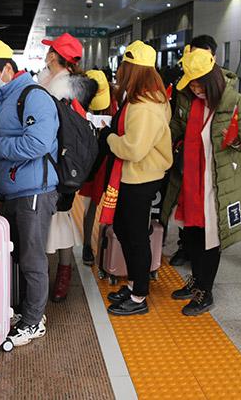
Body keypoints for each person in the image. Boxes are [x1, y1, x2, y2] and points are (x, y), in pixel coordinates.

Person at [0, 39, 59, 346]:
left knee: (32, 258)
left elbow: (37, 144)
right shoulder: (9, 97)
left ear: (8, 69)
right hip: (15, 191)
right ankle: (28, 312)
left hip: (34, 190)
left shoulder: (33, 97)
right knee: (22, 257)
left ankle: (34, 322)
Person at [162, 46, 241, 316]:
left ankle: (205, 291)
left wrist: (236, 139)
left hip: (215, 182)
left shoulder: (235, 101)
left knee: (208, 237)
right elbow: (174, 130)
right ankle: (196, 282)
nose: (195, 89)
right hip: (189, 178)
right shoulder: (187, 99)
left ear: (211, 79)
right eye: (191, 84)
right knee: (190, 233)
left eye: (199, 84)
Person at [103, 41, 173, 316]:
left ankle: (139, 296)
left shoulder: (144, 106)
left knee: (134, 236)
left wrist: (108, 138)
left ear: (132, 70)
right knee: (125, 229)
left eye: (123, 66)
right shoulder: (147, 98)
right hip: (138, 176)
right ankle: (134, 284)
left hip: (140, 178)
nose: (119, 72)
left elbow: (133, 148)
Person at [38, 32, 93, 302]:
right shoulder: (71, 85)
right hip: (66, 165)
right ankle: (61, 274)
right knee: (60, 218)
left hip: (59, 165)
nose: (45, 56)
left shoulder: (58, 89)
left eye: (49, 52)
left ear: (53, 56)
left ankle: (60, 275)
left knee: (57, 218)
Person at [169, 35, 217, 268]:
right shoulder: (185, 87)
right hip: (186, 157)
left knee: (206, 215)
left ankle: (201, 265)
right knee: (185, 204)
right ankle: (185, 247)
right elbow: (177, 121)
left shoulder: (222, 90)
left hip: (208, 163)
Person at [80, 70, 116, 266]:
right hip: (89, 163)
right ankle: (87, 244)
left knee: (110, 205)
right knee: (89, 207)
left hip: (108, 161)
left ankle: (107, 245)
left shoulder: (117, 101)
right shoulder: (78, 103)